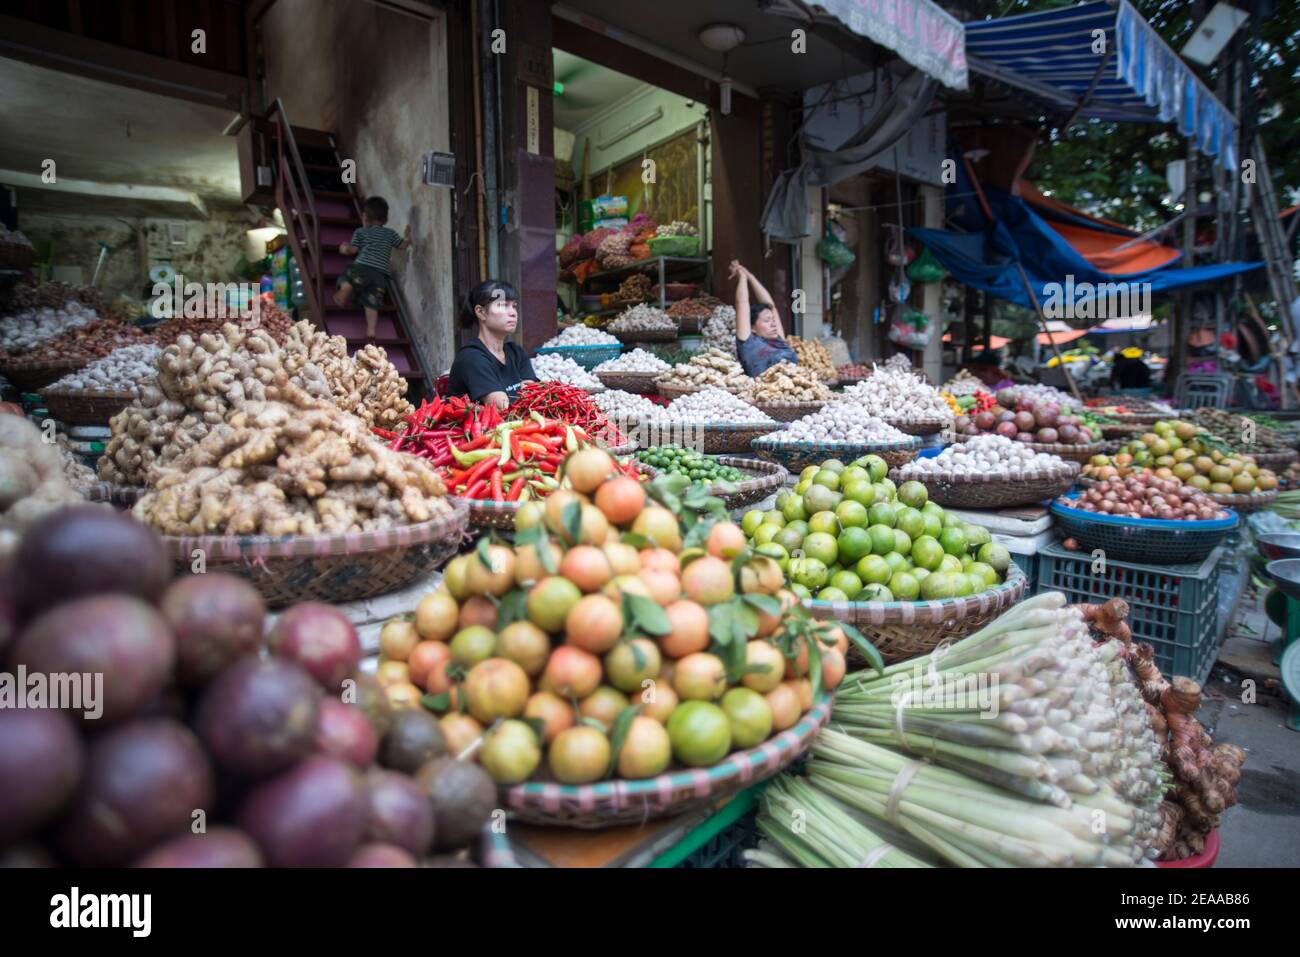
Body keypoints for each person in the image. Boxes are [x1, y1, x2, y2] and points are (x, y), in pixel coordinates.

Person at [446, 279, 536, 409]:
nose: (513, 313)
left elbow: (533, 397)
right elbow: (503, 408)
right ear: (481, 312)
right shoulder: (472, 357)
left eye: (514, 306)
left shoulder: (516, 353)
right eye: (503, 305)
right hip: (480, 428)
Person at [333, 196, 411, 341]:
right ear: (386, 219)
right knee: (372, 302)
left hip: (361, 268)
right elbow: (402, 246)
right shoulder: (390, 233)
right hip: (379, 276)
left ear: (365, 217)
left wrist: (343, 248)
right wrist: (407, 237)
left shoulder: (361, 232)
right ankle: (371, 330)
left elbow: (353, 250)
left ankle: (346, 290)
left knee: (348, 277)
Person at [730, 259, 797, 377]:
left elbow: (771, 306)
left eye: (773, 320)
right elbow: (742, 302)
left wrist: (749, 275)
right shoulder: (748, 343)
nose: (773, 324)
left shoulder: (779, 340)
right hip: (766, 393)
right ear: (753, 328)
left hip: (793, 391)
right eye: (767, 320)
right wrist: (742, 277)